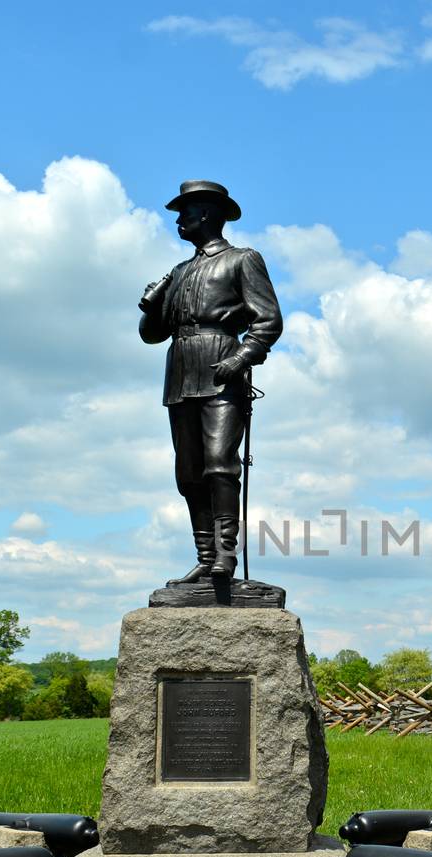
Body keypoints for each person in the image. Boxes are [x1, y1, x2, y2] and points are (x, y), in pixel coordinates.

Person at [139, 180, 282, 581]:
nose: (179, 221)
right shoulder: (180, 272)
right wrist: (150, 306)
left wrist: (240, 358)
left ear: (205, 214)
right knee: (188, 471)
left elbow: (268, 320)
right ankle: (205, 559)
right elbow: (152, 334)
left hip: (220, 368)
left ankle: (225, 556)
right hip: (181, 371)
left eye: (184, 213)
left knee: (220, 465)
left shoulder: (242, 260)